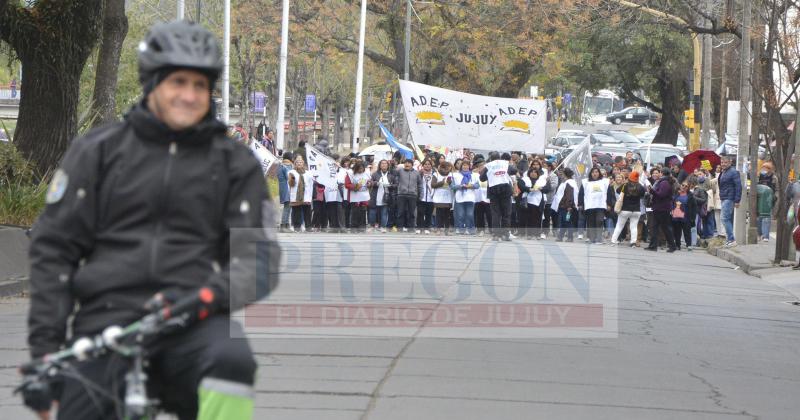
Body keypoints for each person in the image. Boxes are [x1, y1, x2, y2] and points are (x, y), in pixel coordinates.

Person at [24, 21, 280, 420]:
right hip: (107, 318)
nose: (190, 95)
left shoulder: (236, 163)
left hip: (194, 317)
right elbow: (53, 250)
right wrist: (45, 352)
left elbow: (258, 257)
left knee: (233, 364)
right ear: (152, 83)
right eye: (178, 82)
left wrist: (210, 295)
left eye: (200, 85)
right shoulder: (97, 152)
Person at [480, 151, 517, 241]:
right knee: (506, 213)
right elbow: (514, 171)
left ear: (491, 158)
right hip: (505, 190)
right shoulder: (505, 163)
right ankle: (505, 234)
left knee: (495, 213)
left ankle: (496, 235)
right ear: (500, 158)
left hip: (493, 191)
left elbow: (482, 178)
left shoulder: (488, 166)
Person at [645, 170, 678, 252]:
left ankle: (672, 246)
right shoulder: (664, 182)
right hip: (660, 207)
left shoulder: (664, 183)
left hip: (662, 208)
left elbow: (661, 195)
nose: (658, 174)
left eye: (659, 172)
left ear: (662, 173)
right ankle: (653, 246)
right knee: (655, 227)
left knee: (665, 227)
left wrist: (652, 191)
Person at [611, 171, 644, 246]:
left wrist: (624, 184)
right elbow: (643, 194)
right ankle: (633, 242)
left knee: (619, 225)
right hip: (636, 210)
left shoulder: (625, 185)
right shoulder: (640, 186)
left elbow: (617, 191)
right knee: (634, 226)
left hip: (625, 209)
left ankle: (614, 240)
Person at [579, 167, 609, 244]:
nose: (595, 174)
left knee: (599, 221)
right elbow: (581, 194)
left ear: (599, 173)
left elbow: (609, 193)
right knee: (590, 222)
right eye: (593, 172)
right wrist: (580, 204)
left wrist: (609, 204)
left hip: (601, 205)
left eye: (596, 172)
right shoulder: (585, 182)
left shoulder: (605, 182)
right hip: (589, 205)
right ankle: (591, 238)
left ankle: (599, 238)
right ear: (590, 173)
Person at [718, 156, 742, 247]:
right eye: (722, 162)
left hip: (729, 197)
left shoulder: (733, 172)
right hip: (724, 197)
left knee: (724, 218)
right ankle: (729, 239)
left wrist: (737, 200)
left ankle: (731, 239)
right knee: (726, 219)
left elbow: (738, 186)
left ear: (730, 163)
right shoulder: (723, 172)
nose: (723, 164)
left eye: (725, 162)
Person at [452, 160, 479, 235]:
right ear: (461, 166)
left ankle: (470, 228)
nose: (465, 167)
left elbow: (477, 186)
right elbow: (452, 186)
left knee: (470, 214)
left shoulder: (474, 175)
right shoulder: (455, 175)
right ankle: (461, 229)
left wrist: (471, 186)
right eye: (463, 165)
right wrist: (460, 186)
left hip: (470, 197)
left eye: (467, 165)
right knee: (461, 215)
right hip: (460, 197)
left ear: (469, 166)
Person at [552, 168, 579, 242]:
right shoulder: (567, 182)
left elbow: (569, 195)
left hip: (566, 206)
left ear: (565, 174)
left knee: (567, 221)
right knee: (563, 222)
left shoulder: (569, 183)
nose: (561, 175)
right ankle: (560, 237)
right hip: (563, 206)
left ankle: (569, 237)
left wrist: (569, 206)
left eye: (562, 173)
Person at [395, 158, 422, 232]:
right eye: (405, 163)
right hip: (401, 194)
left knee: (412, 213)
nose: (407, 164)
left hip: (413, 195)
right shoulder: (400, 171)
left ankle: (411, 228)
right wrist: (392, 163)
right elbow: (393, 171)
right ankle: (400, 228)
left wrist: (420, 195)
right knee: (400, 212)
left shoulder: (417, 173)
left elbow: (420, 184)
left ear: (412, 165)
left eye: (409, 163)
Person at [289, 156, 313, 232]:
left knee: (307, 212)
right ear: (295, 164)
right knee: (297, 212)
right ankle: (297, 227)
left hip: (306, 195)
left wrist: (310, 194)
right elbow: (290, 184)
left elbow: (310, 184)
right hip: (296, 195)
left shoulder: (308, 173)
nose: (299, 163)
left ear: (303, 164)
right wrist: (292, 179)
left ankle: (308, 227)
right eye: (297, 162)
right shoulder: (291, 172)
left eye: (300, 162)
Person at [345, 161, 371, 232]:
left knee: (363, 212)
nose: (361, 170)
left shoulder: (366, 173)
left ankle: (362, 227)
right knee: (355, 212)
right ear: (356, 168)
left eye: (362, 169)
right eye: (359, 169)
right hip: (355, 197)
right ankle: (354, 227)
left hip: (364, 197)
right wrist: (355, 186)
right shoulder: (350, 174)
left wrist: (369, 183)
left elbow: (370, 181)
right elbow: (347, 184)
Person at [671, 181, 697, 250]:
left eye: (686, 186)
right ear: (680, 186)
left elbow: (694, 207)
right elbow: (672, 203)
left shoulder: (690, 195)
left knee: (687, 231)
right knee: (677, 231)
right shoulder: (676, 194)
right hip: (676, 215)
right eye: (683, 185)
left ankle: (688, 245)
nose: (684, 187)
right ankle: (677, 245)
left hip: (686, 216)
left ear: (688, 188)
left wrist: (693, 217)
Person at [369, 159, 393, 233]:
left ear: (388, 165)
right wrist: (376, 183)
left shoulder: (390, 175)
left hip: (386, 196)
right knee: (372, 212)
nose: (384, 165)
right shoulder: (375, 174)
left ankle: (383, 226)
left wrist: (390, 185)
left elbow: (395, 185)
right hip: (375, 195)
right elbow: (370, 183)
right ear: (380, 165)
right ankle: (372, 226)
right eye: (382, 163)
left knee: (384, 212)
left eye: (385, 163)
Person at [431, 162, 454, 234]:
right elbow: (433, 185)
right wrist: (441, 182)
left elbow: (453, 185)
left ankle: (446, 230)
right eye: (448, 167)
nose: (449, 169)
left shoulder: (451, 174)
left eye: (449, 167)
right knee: (439, 213)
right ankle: (438, 229)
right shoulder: (436, 174)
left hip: (448, 196)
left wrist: (450, 183)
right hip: (439, 196)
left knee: (447, 214)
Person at [417, 159, 435, 233]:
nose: (427, 165)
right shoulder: (420, 173)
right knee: (420, 212)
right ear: (423, 165)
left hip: (431, 196)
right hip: (422, 196)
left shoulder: (434, 174)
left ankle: (427, 227)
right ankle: (419, 227)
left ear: (431, 165)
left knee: (429, 213)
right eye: (425, 164)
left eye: (429, 164)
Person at [277, 152, 294, 232]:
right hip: (287, 188)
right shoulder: (286, 166)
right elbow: (290, 176)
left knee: (287, 206)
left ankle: (286, 224)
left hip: (283, 187)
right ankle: (283, 225)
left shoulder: (280, 165)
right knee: (287, 207)